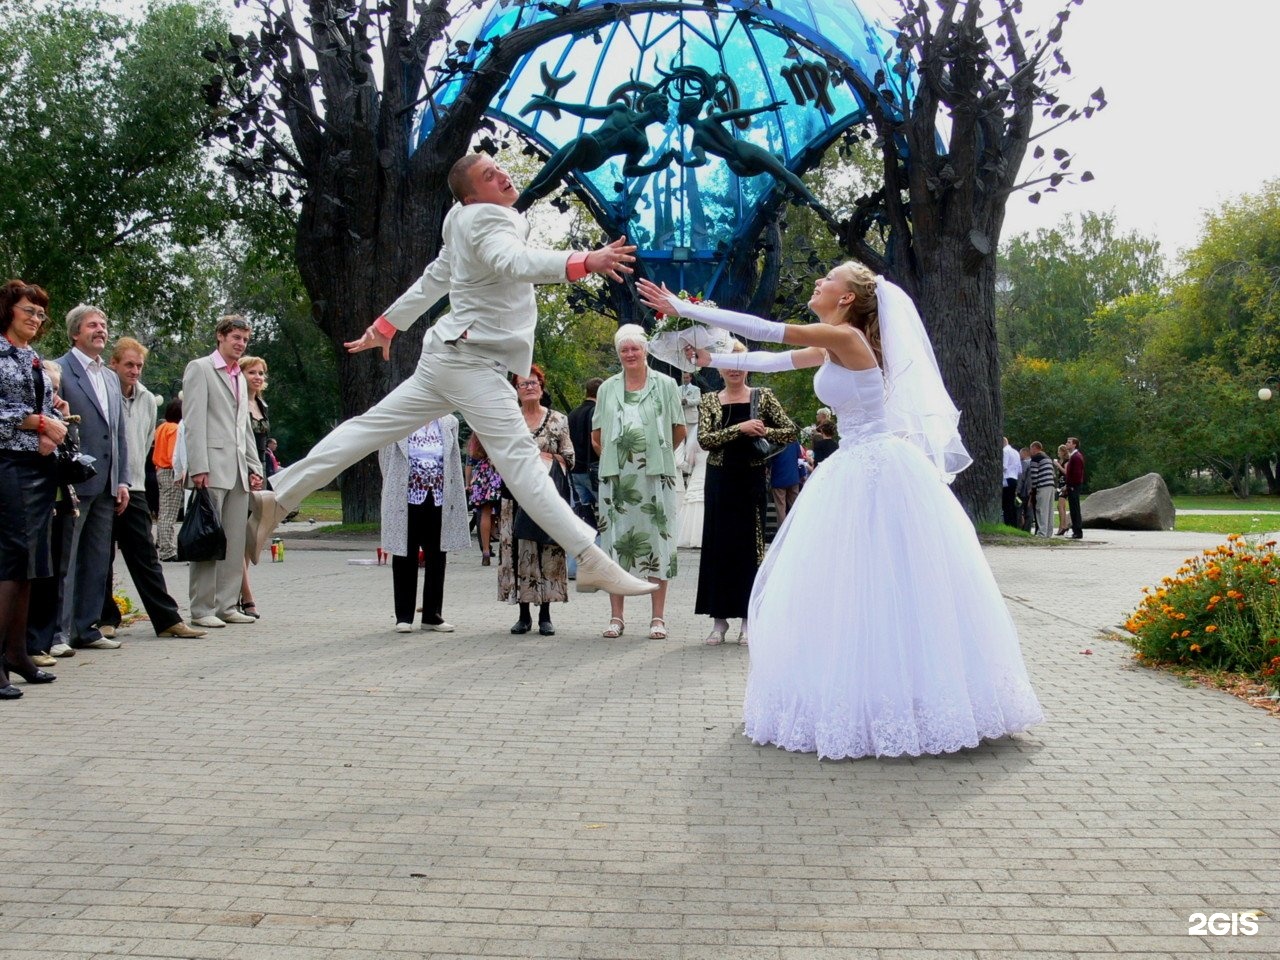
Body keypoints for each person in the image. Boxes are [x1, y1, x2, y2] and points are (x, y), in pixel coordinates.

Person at [637, 265, 1043, 759]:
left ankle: (907, 701)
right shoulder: (835, 342)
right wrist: (710, 356)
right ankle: (866, 696)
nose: (816, 283)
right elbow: (778, 358)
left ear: (847, 298)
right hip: (855, 465)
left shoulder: (845, 337)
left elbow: (766, 330)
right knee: (852, 583)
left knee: (884, 581)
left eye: (824, 279)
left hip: (876, 468)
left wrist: (686, 308)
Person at [248, 153, 655, 601]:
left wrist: (386, 325)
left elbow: (435, 277)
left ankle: (279, 495)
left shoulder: (459, 219)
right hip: (471, 363)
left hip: (445, 357)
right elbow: (513, 263)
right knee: (523, 464)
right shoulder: (487, 221)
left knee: (367, 429)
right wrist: (584, 261)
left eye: (500, 167)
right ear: (470, 195)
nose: (502, 174)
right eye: (489, 175)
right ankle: (591, 557)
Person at [686, 339, 796, 645]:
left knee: (751, 546)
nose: (734, 370)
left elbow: (790, 431)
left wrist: (762, 430)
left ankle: (750, 620)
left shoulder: (764, 397)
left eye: (740, 364)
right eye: (728, 364)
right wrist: (740, 429)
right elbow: (705, 441)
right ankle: (719, 622)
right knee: (718, 545)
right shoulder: (709, 400)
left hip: (750, 479)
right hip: (720, 479)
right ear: (719, 367)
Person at [96, 339, 207, 640]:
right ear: (114, 364)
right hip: (104, 485)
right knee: (102, 555)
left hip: (134, 484)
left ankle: (166, 617)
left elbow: (144, 441)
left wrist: (131, 478)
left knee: (145, 553)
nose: (134, 370)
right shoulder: (103, 393)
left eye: (139, 366)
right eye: (128, 364)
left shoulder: (145, 398)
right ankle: (105, 617)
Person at [592, 325, 685, 640]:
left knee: (658, 544)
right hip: (616, 481)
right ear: (619, 353)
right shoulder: (607, 388)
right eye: (624, 350)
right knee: (615, 545)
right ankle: (616, 617)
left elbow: (678, 429)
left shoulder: (666, 384)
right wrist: (619, 458)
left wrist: (656, 457)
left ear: (645, 350)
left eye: (635, 348)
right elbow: (596, 436)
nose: (630, 354)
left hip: (655, 477)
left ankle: (657, 617)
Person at [0, 279, 63, 698]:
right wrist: (40, 423)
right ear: (8, 309)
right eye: (29, 310)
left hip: (38, 466)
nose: (36, 319)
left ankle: (18, 654)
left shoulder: (33, 357)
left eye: (41, 314)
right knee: (10, 561)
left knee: (30, 565)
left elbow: (43, 406)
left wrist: (51, 423)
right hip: (6, 464)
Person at [182, 315, 264, 628]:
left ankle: (227, 605)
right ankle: (202, 608)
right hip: (212, 468)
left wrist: (255, 467)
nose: (240, 344)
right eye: (236, 338)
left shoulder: (240, 377)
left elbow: (243, 426)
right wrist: (198, 466)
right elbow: (194, 421)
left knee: (233, 539)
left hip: (239, 469)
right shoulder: (200, 368)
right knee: (207, 536)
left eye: (245, 339)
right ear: (220, 336)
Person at [55, 304, 129, 652]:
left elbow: (119, 434)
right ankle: (59, 632)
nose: (100, 330)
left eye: (104, 324)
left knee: (98, 559)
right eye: (92, 325)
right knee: (66, 559)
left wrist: (123, 480)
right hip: (74, 479)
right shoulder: (59, 369)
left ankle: (87, 627)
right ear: (75, 332)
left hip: (106, 482)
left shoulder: (111, 377)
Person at [498, 365, 574, 635]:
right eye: (523, 384)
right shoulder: (507, 420)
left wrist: (544, 459)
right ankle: (523, 614)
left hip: (547, 496)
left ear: (542, 387)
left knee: (549, 552)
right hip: (516, 497)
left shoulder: (558, 419)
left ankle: (545, 615)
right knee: (519, 552)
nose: (529, 387)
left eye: (534, 382)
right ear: (516, 391)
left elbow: (570, 456)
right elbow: (496, 455)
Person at [380, 417, 470, 633]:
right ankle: (404, 616)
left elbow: (453, 460)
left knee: (437, 556)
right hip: (406, 496)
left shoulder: (449, 422)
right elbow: (386, 460)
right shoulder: (399, 419)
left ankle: (432, 615)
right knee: (404, 554)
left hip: (438, 496)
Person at [25, 359, 77, 666]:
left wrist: (66, 417)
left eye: (56, 389)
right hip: (35, 501)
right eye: (48, 389)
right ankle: (28, 644)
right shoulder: (31, 419)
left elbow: (73, 456)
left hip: (62, 502)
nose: (52, 395)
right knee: (30, 574)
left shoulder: (58, 415)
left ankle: (46, 641)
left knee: (54, 572)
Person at [237, 356, 271, 619]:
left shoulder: (261, 404)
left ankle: (237, 590)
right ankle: (247, 596)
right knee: (239, 537)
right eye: (252, 372)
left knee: (252, 537)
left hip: (262, 472)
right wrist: (249, 471)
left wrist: (261, 472)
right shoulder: (237, 403)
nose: (257, 377)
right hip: (243, 472)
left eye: (261, 373)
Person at [152, 398, 183, 560]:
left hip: (160, 470)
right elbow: (174, 454)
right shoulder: (176, 429)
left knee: (163, 509)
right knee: (169, 513)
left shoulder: (161, 427)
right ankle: (168, 550)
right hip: (171, 471)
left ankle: (162, 543)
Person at [465, 434, 502, 565]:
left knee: (485, 513)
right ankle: (507, 549)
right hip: (499, 471)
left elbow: (470, 462)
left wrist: (468, 483)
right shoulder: (500, 428)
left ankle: (485, 553)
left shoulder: (477, 433)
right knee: (504, 513)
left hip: (481, 473)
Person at [1025, 441, 1057, 538]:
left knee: (1041, 510)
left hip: (1042, 486)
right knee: (1049, 510)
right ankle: (1048, 532)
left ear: (1035, 448)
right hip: (1051, 486)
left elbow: (1034, 475)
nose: (1030, 451)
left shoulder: (1035, 459)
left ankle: (1042, 533)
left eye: (1031, 449)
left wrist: (1033, 491)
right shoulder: (1047, 458)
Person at [770, 440, 803, 527]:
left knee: (781, 509)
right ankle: (796, 528)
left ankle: (782, 532)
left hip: (778, 477)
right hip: (793, 477)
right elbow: (799, 458)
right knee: (794, 506)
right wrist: (801, 475)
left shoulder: (774, 440)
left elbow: (769, 459)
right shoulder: (794, 441)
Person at [1064, 436, 1085, 539]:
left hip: (1074, 486)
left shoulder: (1076, 457)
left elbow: (1077, 473)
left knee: (1075, 509)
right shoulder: (1074, 456)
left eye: (1069, 442)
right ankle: (1076, 530)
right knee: (1073, 509)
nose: (1067, 444)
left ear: (1074, 444)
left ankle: (1077, 531)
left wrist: (1071, 485)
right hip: (1073, 485)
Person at [1052, 443, 1071, 536]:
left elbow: (1066, 472)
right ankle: (1063, 525)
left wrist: (1058, 465)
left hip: (1065, 485)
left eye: (1059, 451)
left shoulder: (1066, 461)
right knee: (1061, 507)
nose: (1058, 453)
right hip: (1060, 484)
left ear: (1063, 452)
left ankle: (1063, 526)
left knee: (1060, 506)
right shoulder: (1061, 461)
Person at [1001, 436, 1021, 527]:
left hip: (1007, 478)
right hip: (1014, 478)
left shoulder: (1005, 451)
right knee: (1011, 503)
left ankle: (1007, 522)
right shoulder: (1016, 452)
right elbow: (1020, 470)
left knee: (1006, 503)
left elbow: (1004, 466)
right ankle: (1014, 523)